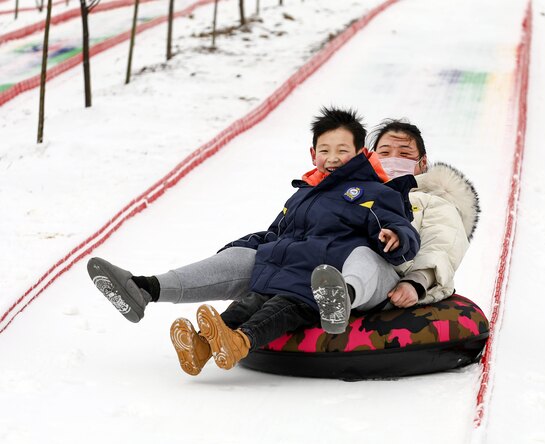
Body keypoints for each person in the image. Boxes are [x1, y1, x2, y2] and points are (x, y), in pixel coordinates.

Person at [87, 107, 420, 375]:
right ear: (312, 154)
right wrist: (239, 248)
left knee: (282, 305)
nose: (332, 158)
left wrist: (394, 236)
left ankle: (255, 335)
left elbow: (400, 226)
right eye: (325, 150)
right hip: (292, 267)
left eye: (342, 151)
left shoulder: (377, 191)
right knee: (251, 298)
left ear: (361, 153)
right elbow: (276, 233)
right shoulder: (304, 195)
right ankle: (151, 297)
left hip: (326, 275)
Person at [309, 119, 480, 333]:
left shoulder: (433, 201)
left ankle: (340, 297)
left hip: (390, 282)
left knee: (364, 255)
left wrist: (416, 282)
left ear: (422, 162)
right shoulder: (354, 194)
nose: (393, 160)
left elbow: (442, 244)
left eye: (405, 154)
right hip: (330, 270)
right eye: (385, 153)